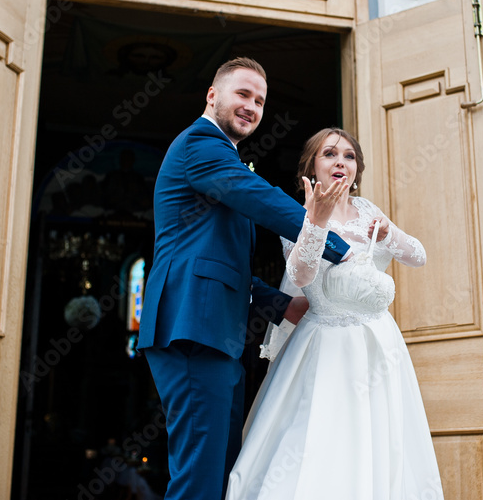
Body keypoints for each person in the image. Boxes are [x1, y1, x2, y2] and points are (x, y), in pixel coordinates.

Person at [137, 58, 352, 500]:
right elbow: (257, 196)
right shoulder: (201, 144)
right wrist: (334, 241)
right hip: (193, 328)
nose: (252, 106)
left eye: (259, 100)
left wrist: (283, 305)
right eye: (243, 94)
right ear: (212, 96)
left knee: (218, 475)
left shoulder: (221, 158)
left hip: (214, 332)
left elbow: (222, 264)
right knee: (199, 480)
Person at [225, 128, 444, 500]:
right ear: (310, 169)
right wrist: (317, 222)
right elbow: (300, 275)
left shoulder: (369, 211)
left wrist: (389, 232)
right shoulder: (296, 216)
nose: (340, 161)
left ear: (357, 168)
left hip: (380, 346)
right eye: (329, 154)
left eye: (349, 156)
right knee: (320, 438)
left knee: (381, 439)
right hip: (325, 345)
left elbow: (418, 256)